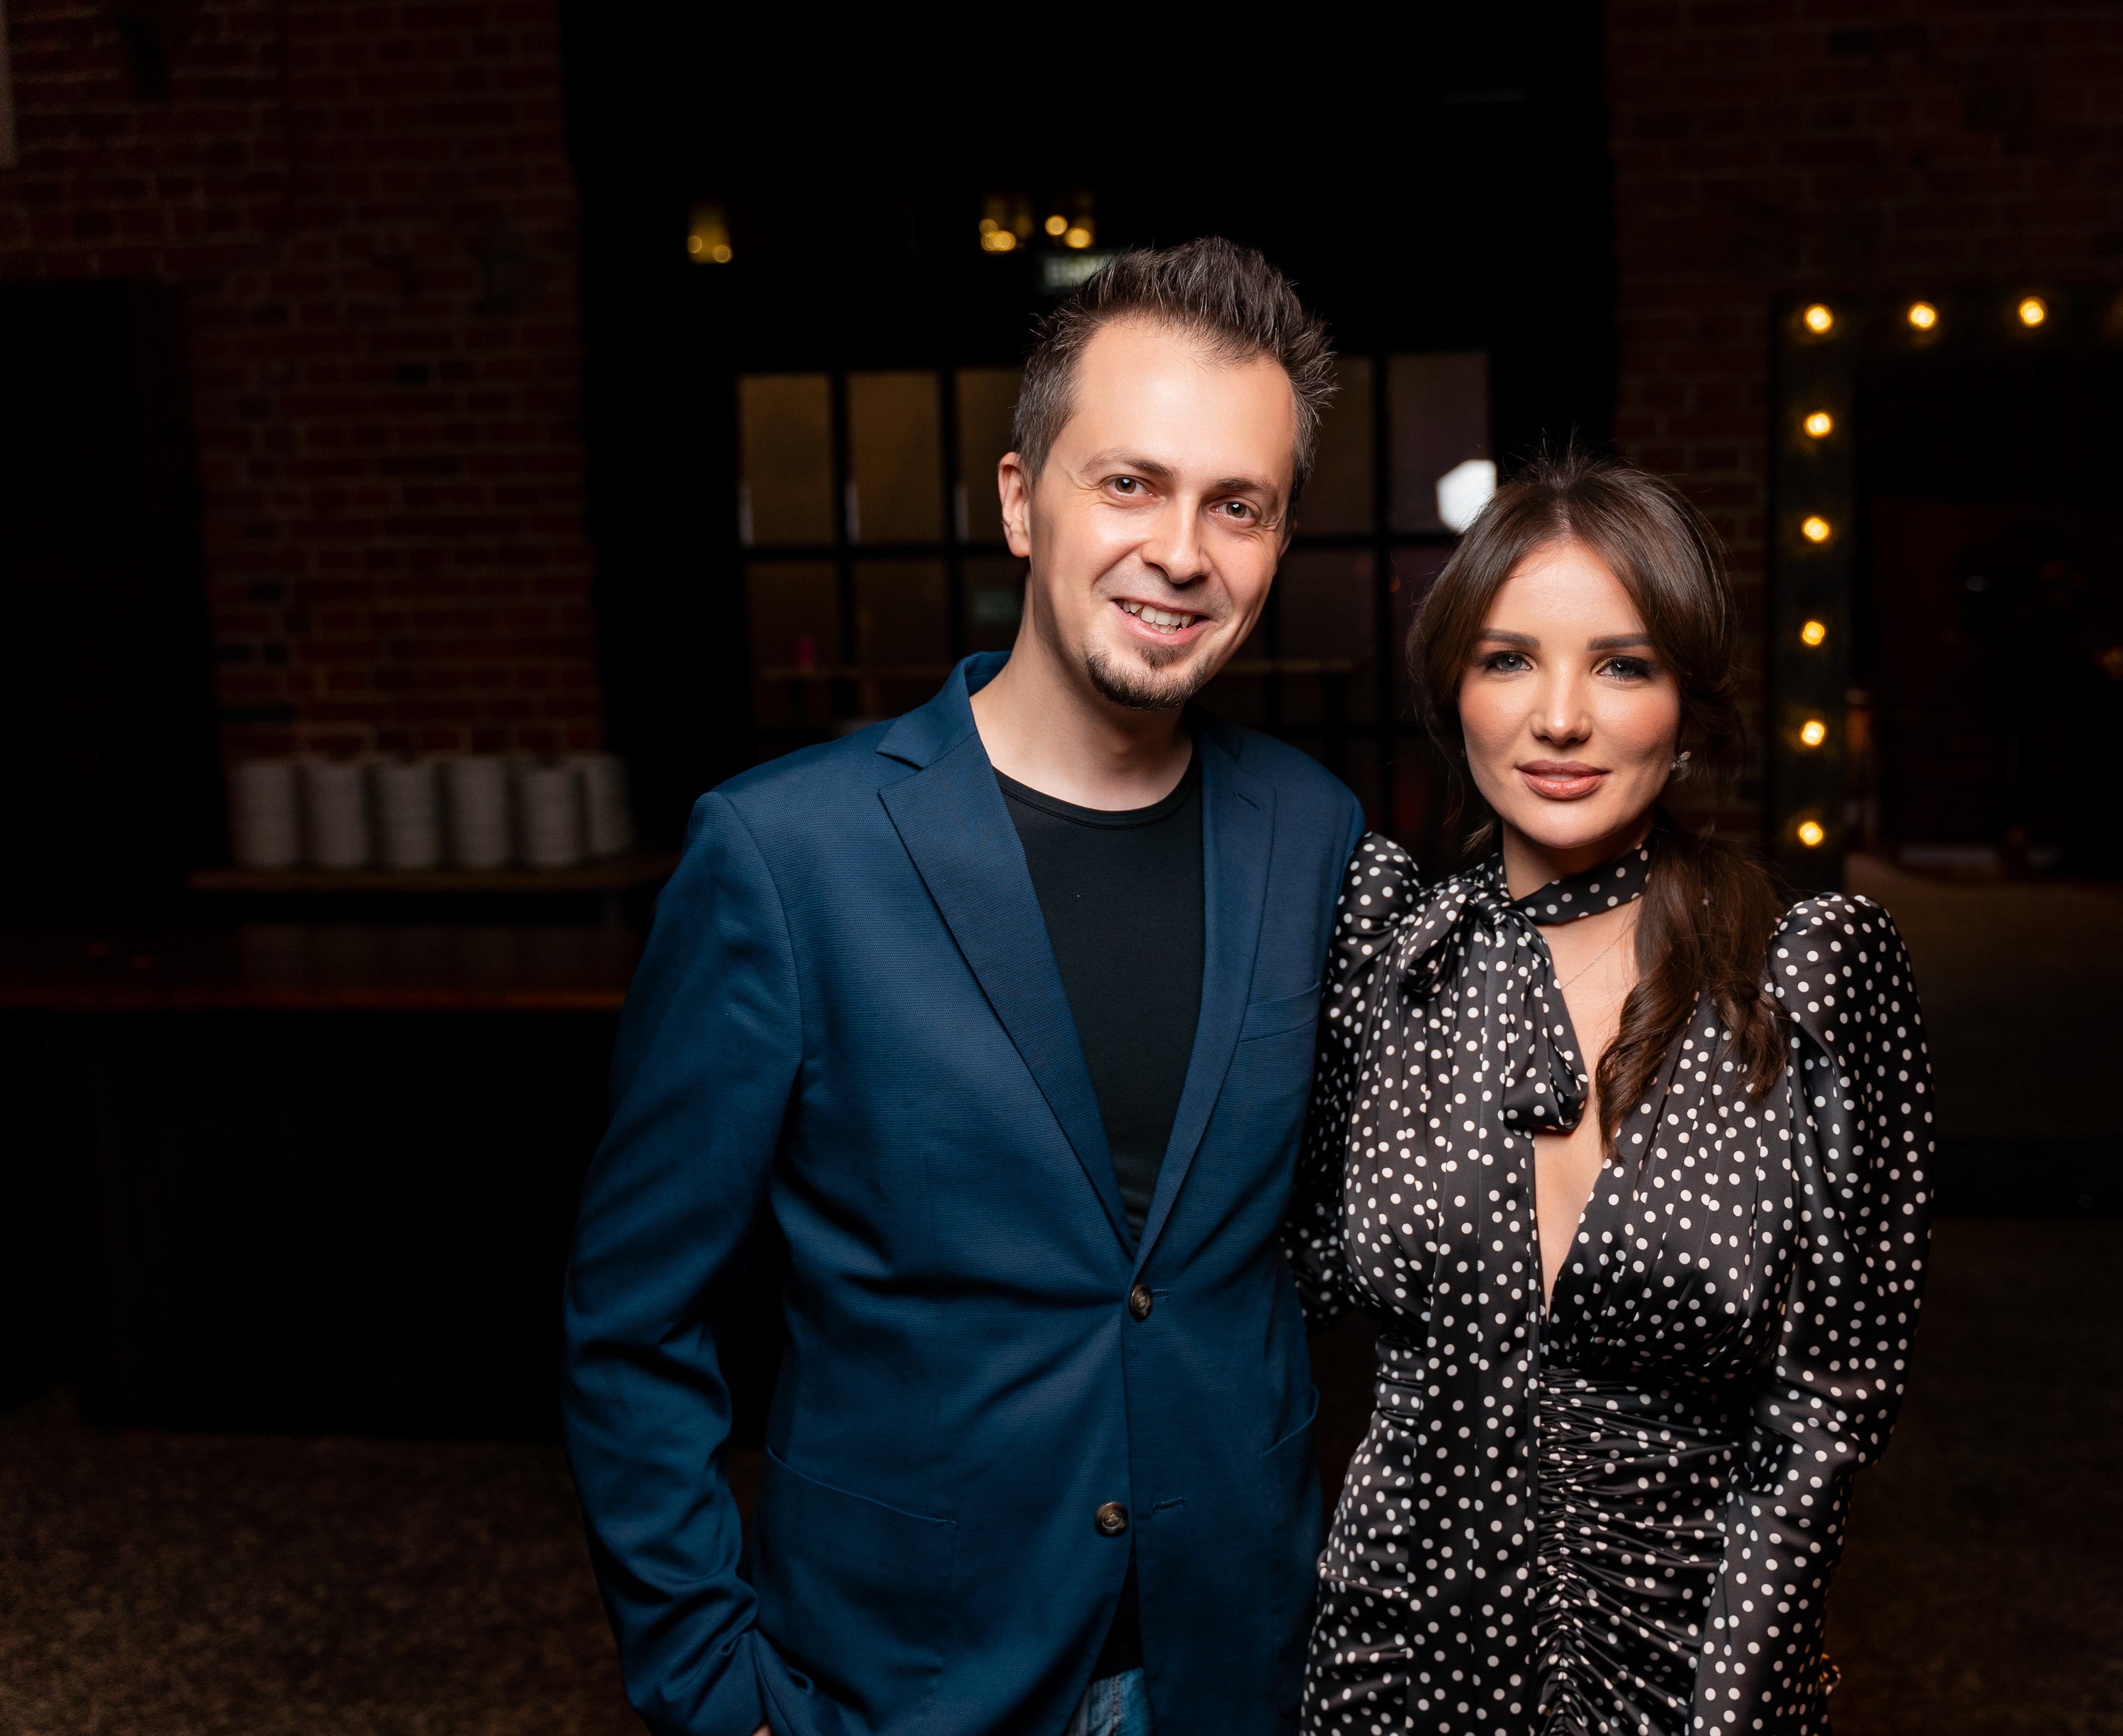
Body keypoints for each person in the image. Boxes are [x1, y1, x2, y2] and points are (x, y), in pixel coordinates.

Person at [562, 239, 1360, 1736]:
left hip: (1241, 1661)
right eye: (1128, 483)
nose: (1181, 551)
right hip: (904, 1681)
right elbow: (635, 1326)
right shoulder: (786, 855)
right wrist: (716, 1688)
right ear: (1019, 498)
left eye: (1237, 505)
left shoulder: (1315, 834)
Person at [1291, 454, 1935, 1734]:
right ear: (1456, 692)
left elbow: (1828, 1405)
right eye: (1509, 660)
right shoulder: (1384, 958)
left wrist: (1728, 1708)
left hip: (1689, 1666)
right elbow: (1275, 1271)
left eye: (1622, 666)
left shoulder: (1804, 982)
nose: (1561, 719)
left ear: (1688, 704)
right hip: (1393, 1664)